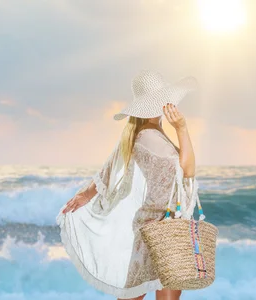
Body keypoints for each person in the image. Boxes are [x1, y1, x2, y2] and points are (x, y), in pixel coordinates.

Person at [56, 70, 201, 300]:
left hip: (155, 223)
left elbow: (108, 168)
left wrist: (86, 194)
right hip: (164, 225)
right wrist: (182, 129)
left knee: (134, 292)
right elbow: (187, 171)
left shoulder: (138, 134)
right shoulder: (150, 137)